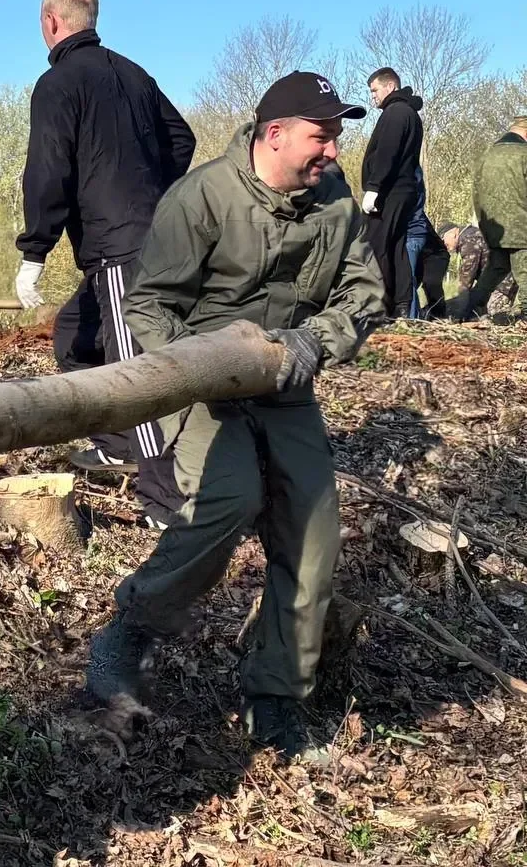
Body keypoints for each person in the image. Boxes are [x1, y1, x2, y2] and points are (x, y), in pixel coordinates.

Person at [89, 71, 385, 761]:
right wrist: (193, 368)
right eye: (321, 136)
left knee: (314, 526)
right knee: (228, 498)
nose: (333, 151)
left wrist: (317, 340)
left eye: (336, 138)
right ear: (274, 134)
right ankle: (130, 630)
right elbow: (148, 305)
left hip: (287, 382)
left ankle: (275, 695)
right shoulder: (200, 198)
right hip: (205, 385)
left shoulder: (335, 202)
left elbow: (364, 292)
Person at [13, 0, 195, 529]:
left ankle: (166, 502)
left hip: (120, 248)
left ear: (51, 22)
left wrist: (34, 252)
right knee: (74, 335)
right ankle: (117, 444)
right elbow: (181, 139)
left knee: (137, 370)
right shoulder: (134, 73)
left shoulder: (57, 83)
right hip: (147, 238)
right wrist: (154, 191)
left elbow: (47, 171)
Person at [360, 67, 424, 317]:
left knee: (375, 246)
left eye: (375, 90)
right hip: (402, 190)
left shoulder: (396, 112)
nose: (373, 96)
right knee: (397, 247)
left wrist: (374, 187)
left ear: (390, 86)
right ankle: (401, 305)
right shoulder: (408, 113)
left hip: (389, 191)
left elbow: (388, 151)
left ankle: (378, 305)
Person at [464, 116, 527, 320]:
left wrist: (484, 225)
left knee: (496, 268)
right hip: (522, 228)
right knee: (525, 272)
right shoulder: (524, 154)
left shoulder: (486, 155)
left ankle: (470, 311)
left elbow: (476, 195)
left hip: (494, 229)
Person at [443, 221, 518, 318]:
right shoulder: (469, 235)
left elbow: (467, 276)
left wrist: (460, 303)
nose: (443, 244)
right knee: (476, 307)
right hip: (493, 281)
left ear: (453, 233)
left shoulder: (469, 239)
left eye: (443, 240)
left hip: (502, 281)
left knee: (495, 312)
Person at [405, 167, 445, 318]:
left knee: (430, 283)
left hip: (435, 254)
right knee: (410, 281)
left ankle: (438, 315)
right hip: (421, 254)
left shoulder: (417, 220)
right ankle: (421, 313)